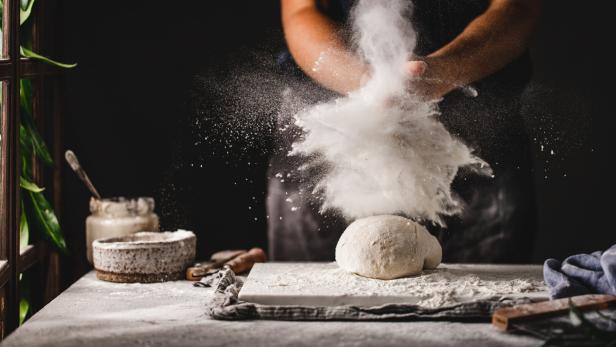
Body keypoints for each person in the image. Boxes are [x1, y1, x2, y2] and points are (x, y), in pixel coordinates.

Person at [267, 0, 540, 262]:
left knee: (481, 301)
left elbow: (515, 7)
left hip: (477, 135)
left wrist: (444, 70)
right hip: (330, 133)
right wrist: (368, 83)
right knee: (313, 301)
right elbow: (302, 9)